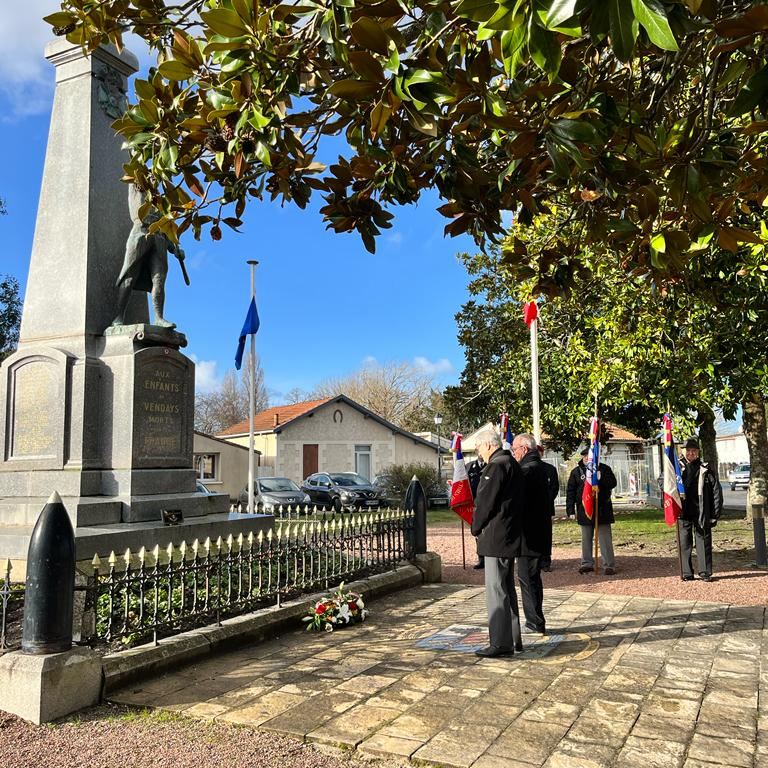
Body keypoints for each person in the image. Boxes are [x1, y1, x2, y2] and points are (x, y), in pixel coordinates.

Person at [470, 429, 525, 658]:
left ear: (489, 445)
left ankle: (501, 643)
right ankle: (512, 638)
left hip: (496, 535)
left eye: (479, 447)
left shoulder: (496, 466)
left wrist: (476, 526)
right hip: (509, 533)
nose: (478, 452)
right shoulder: (511, 463)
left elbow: (486, 502)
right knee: (506, 588)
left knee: (496, 589)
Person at [111, 184, 186, 329]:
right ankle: (118, 317)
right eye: (151, 176)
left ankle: (159, 318)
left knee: (159, 279)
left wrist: (175, 250)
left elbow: (166, 229)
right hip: (140, 232)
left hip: (159, 237)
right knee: (129, 276)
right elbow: (136, 176)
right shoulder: (137, 185)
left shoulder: (163, 200)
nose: (154, 180)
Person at [511, 434, 551, 635]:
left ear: (524, 449)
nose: (513, 453)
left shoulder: (527, 470)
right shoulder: (538, 468)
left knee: (527, 578)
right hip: (537, 533)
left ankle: (535, 622)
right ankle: (535, 619)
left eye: (515, 449)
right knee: (532, 578)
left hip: (529, 535)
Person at [566, 448, 618, 575]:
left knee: (605, 539)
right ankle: (587, 563)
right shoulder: (576, 472)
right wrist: (570, 510)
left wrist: (601, 479)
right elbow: (571, 491)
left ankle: (608, 565)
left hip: (602, 509)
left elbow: (613, 483)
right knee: (586, 539)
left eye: (588, 457)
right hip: (585, 509)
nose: (586, 458)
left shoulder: (604, 469)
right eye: (584, 456)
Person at [680, 437, 723, 582]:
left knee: (703, 542)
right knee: (684, 543)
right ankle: (686, 572)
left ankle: (705, 572)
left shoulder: (706, 468)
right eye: (688, 451)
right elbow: (663, 482)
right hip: (683, 512)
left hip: (701, 512)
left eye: (694, 451)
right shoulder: (675, 467)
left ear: (698, 452)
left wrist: (715, 514)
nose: (691, 453)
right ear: (683, 451)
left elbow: (716, 491)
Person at [538, 446, 559, 572]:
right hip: (530, 509)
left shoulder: (550, 469)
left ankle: (545, 561)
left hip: (545, 508)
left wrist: (545, 501)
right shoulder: (524, 467)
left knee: (545, 535)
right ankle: (535, 560)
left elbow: (554, 487)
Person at [467, 454, 486, 570]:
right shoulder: (469, 467)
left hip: (489, 503)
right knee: (478, 532)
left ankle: (490, 557)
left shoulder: (492, 465)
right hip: (474, 505)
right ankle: (481, 558)